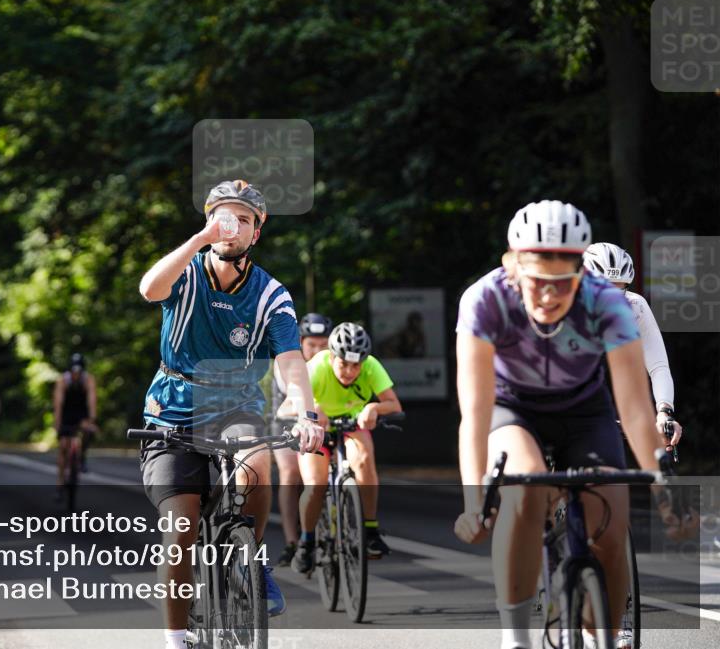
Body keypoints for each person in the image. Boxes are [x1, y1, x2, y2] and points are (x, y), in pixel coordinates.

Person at [452, 201, 672, 649]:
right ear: (512, 264)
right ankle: (516, 637)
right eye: (538, 281)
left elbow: (634, 407)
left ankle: (605, 634)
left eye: (564, 281)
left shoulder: (607, 301)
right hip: (513, 408)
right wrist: (475, 502)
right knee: (526, 488)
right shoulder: (484, 300)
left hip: (584, 410)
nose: (550, 296)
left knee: (611, 523)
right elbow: (475, 413)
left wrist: (665, 490)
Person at [137, 179, 324, 649]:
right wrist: (200, 240)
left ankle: (251, 561)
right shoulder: (187, 272)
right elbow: (149, 289)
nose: (232, 226)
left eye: (244, 220)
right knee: (181, 527)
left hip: (236, 406)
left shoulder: (270, 294)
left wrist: (306, 413)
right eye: (223, 217)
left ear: (255, 233)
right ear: (208, 221)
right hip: (172, 412)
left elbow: (290, 360)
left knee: (257, 463)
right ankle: (175, 638)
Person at [287, 322, 401, 573]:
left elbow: (394, 404)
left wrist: (374, 408)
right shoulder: (317, 366)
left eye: (356, 366)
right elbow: (289, 404)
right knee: (316, 484)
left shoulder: (371, 366)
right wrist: (311, 410)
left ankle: (370, 530)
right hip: (317, 428)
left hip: (351, 423)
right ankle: (306, 542)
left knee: (364, 458)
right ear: (332, 356)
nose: (350, 371)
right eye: (343, 364)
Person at [583, 242, 684, 447]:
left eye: (619, 290)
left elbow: (658, 366)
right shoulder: (560, 306)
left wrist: (664, 412)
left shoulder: (634, 306)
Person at [269, 312, 333, 567]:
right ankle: (292, 542)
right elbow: (294, 393)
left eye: (323, 345)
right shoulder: (287, 359)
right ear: (301, 343)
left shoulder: (334, 361)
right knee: (291, 473)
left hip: (324, 419)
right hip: (287, 417)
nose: (317, 350)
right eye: (312, 345)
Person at [52, 353, 97, 492]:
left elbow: (92, 401)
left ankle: (82, 456)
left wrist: (92, 419)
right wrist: (57, 422)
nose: (76, 374)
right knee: (63, 446)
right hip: (66, 413)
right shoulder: (62, 381)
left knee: (88, 431)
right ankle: (60, 481)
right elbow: (58, 403)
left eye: (79, 371)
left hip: (81, 413)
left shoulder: (88, 380)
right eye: (74, 371)